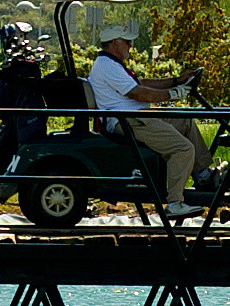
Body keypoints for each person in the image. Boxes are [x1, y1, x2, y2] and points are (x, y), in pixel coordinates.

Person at [84, 31, 209, 213]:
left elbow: (141, 83)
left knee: (185, 121)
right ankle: (174, 203)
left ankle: (203, 175)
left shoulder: (112, 65)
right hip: (129, 119)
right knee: (183, 149)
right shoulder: (106, 66)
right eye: (126, 41)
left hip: (135, 115)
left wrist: (176, 81)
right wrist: (173, 94)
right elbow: (138, 93)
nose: (130, 45)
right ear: (114, 43)